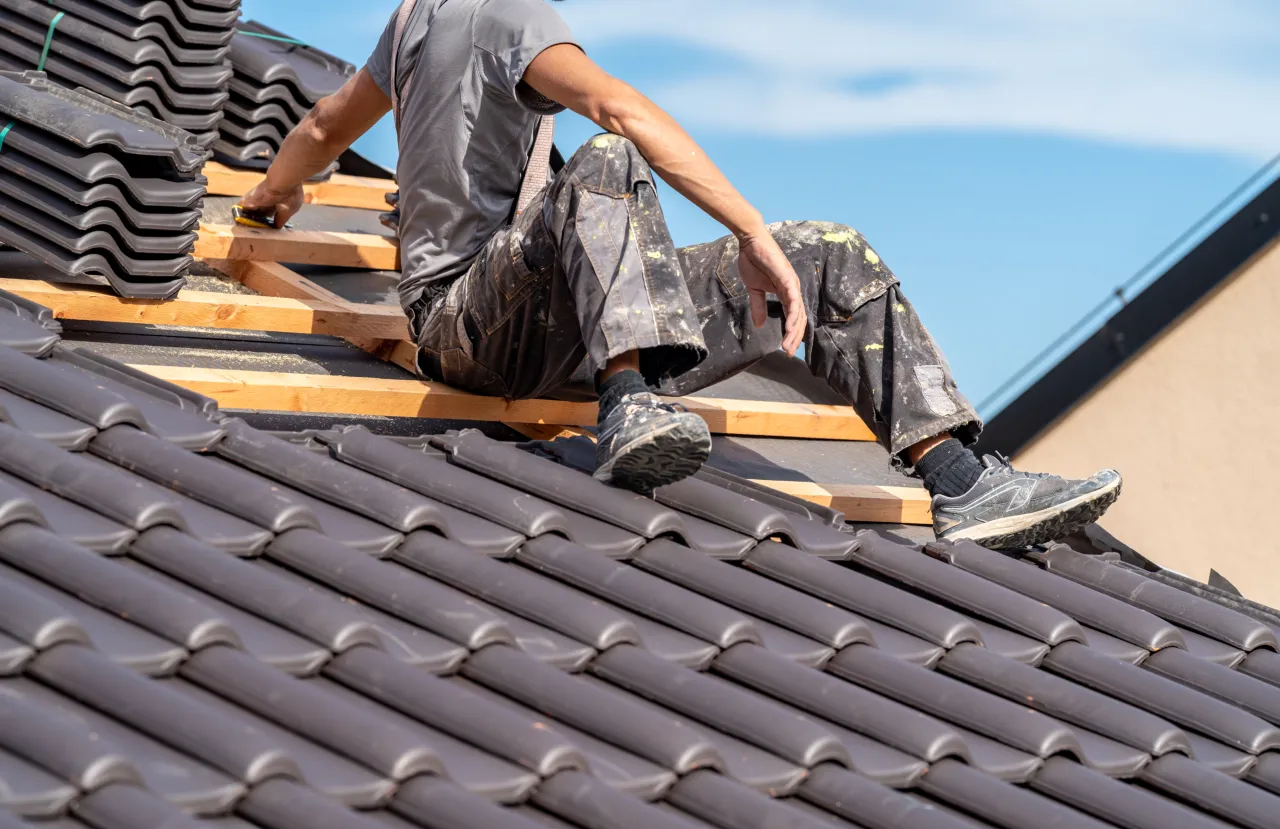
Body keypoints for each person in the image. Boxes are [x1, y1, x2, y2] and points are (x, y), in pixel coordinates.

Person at [239, 0, 1121, 549]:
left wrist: (272, 203)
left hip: (546, 322)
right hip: (467, 329)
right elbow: (615, 106)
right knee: (609, 158)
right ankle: (630, 402)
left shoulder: (410, 20)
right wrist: (744, 230)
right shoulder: (510, 14)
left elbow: (321, 128)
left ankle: (962, 481)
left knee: (826, 252)